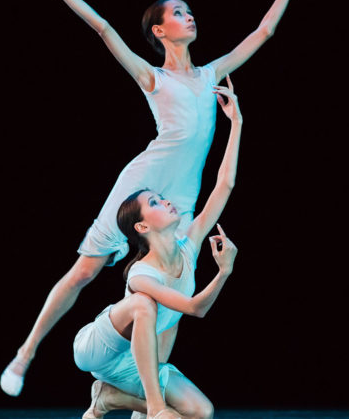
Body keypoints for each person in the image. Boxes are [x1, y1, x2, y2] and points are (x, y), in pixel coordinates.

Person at [1, 0, 302, 399]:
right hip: (140, 186)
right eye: (178, 13)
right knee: (85, 270)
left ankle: (150, 399)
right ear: (160, 31)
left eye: (190, 11)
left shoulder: (211, 73)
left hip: (179, 198)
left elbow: (266, 30)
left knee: (175, 292)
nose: (189, 16)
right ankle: (26, 353)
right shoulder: (153, 78)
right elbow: (104, 29)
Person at [73, 78, 241, 419]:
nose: (166, 201)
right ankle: (153, 405)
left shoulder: (187, 247)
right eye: (155, 202)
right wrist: (224, 271)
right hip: (98, 351)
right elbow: (195, 308)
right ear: (142, 226)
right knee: (143, 305)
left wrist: (236, 122)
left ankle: (111, 399)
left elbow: (224, 185)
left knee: (201, 412)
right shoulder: (140, 273)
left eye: (162, 198)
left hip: (137, 363)